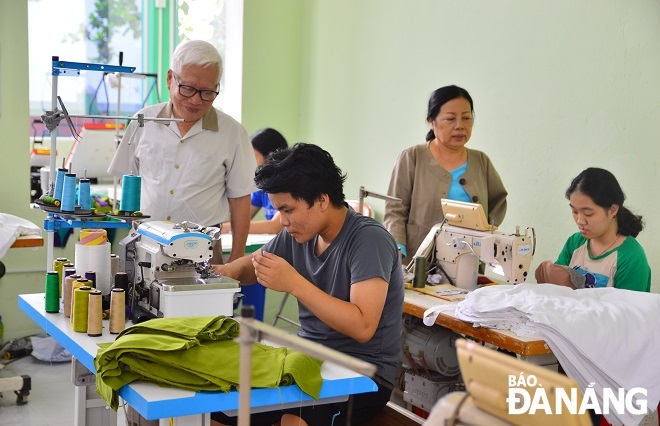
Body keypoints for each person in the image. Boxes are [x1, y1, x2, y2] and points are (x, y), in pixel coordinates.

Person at [211, 143, 404, 426]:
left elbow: (363, 326)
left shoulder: (368, 240)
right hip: (309, 359)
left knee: (294, 421)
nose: (284, 222)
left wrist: (294, 283)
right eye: (279, 211)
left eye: (288, 210)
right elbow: (255, 263)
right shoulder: (299, 231)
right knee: (219, 410)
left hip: (362, 373)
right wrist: (224, 272)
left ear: (322, 199)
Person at [108, 39, 257, 263]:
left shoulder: (232, 134)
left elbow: (240, 201)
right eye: (187, 89)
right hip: (145, 245)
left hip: (202, 250)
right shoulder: (143, 123)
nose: (196, 100)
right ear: (170, 79)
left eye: (207, 92)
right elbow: (128, 184)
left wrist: (236, 259)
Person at [383, 85, 507, 264]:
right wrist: (397, 247)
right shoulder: (413, 157)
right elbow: (395, 210)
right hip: (416, 262)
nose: (460, 126)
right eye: (450, 119)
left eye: (466, 118)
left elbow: (498, 201)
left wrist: (483, 235)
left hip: (468, 263)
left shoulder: (481, 161)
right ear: (432, 122)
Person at [535, 167, 651, 292]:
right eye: (574, 211)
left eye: (588, 213)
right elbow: (557, 291)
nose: (579, 221)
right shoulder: (575, 243)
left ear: (612, 210)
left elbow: (626, 310)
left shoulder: (631, 258)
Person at [221, 128, 288, 235]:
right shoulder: (261, 186)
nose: (248, 162)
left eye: (252, 157)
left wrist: (227, 227)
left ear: (271, 157)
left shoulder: (290, 186)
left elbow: (275, 226)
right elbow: (240, 217)